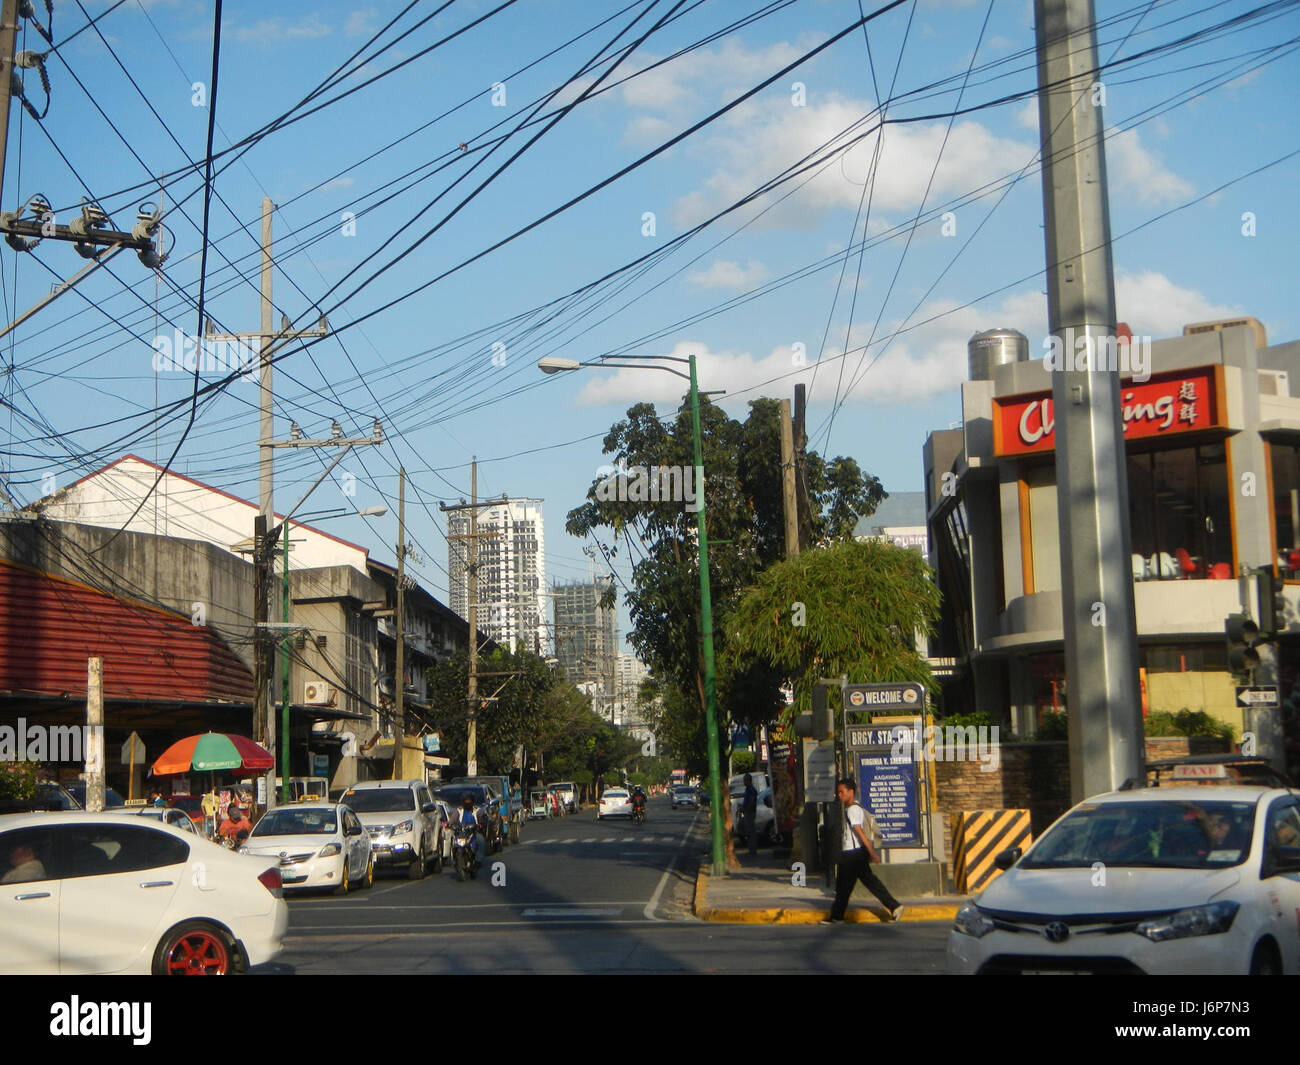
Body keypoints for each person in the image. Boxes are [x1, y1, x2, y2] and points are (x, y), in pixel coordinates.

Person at [822, 778, 903, 924]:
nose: (839, 795)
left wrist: (871, 852)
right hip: (855, 853)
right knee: (863, 883)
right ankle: (894, 906)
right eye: (838, 792)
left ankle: (837, 916)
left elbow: (859, 833)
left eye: (842, 792)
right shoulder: (855, 808)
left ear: (851, 792)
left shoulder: (852, 810)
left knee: (844, 886)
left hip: (852, 854)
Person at [740, 774, 759, 855]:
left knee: (751, 832)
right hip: (747, 812)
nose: (744, 782)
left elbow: (751, 801)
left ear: (749, 780)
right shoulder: (747, 789)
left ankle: (753, 850)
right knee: (749, 832)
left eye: (745, 780)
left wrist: (746, 809)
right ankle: (751, 849)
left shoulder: (752, 790)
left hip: (750, 812)